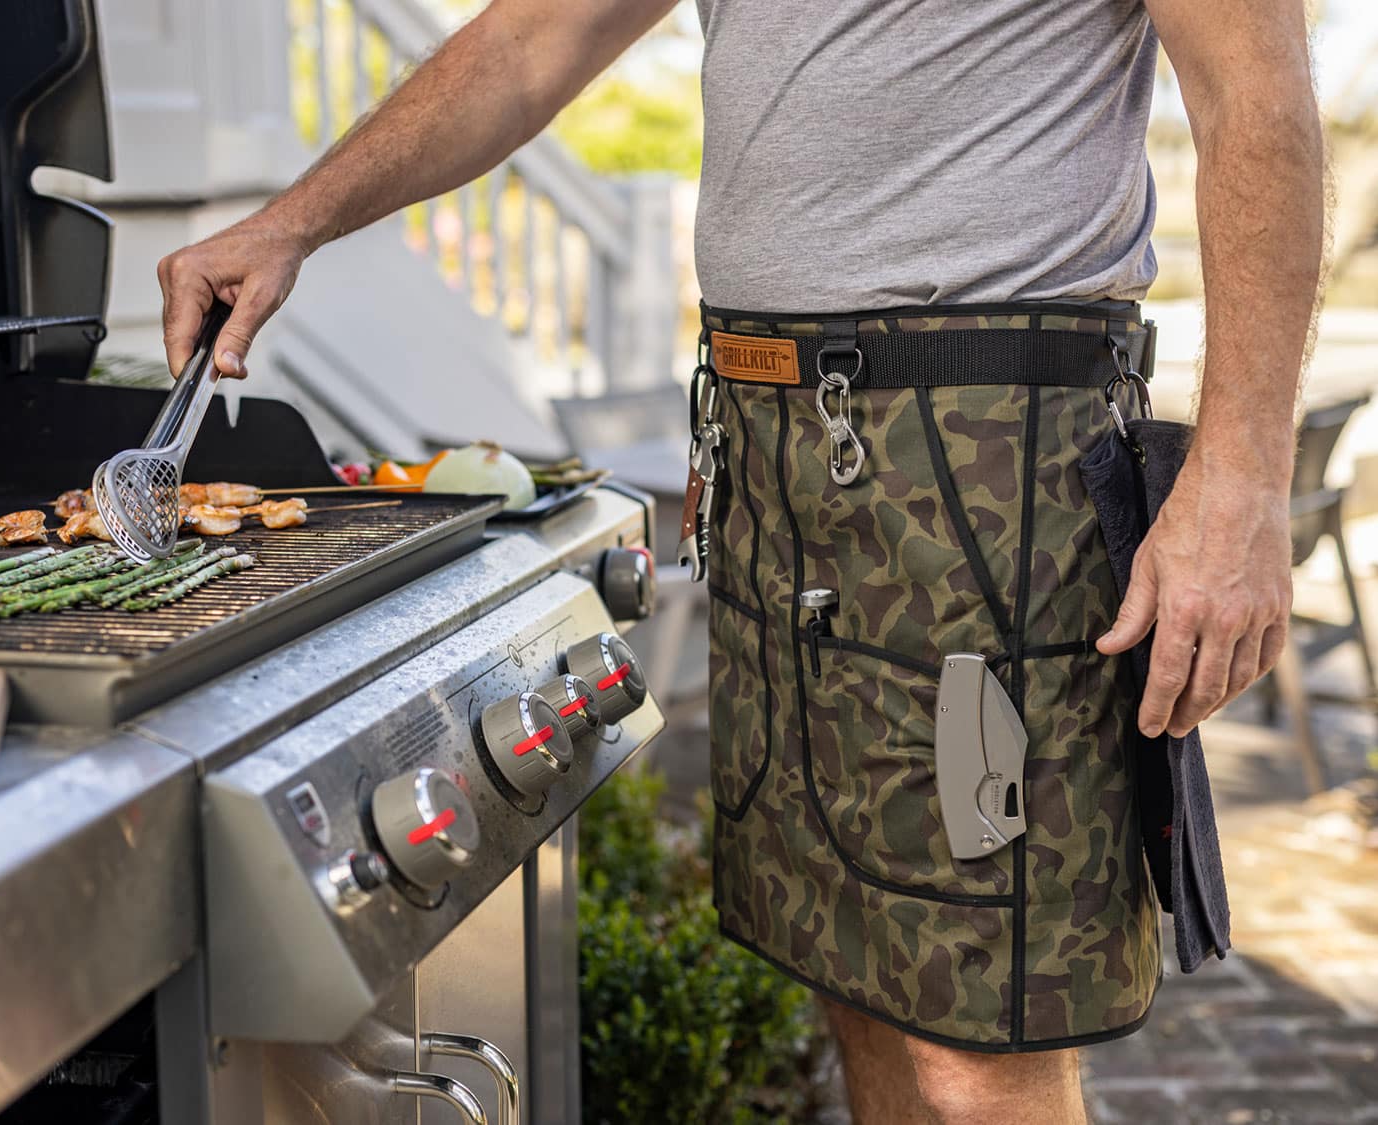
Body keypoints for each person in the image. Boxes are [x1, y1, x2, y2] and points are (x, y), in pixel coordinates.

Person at [157, 0, 1322, 1120]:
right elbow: (528, 40)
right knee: (856, 978)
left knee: (979, 1049)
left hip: (987, 455)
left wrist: (1242, 480)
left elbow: (1255, 102)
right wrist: (290, 220)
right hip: (771, 440)